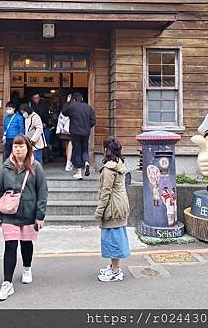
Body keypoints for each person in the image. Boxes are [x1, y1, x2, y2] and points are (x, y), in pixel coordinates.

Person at [0, 135, 48, 301]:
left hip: (29, 213)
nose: (17, 149)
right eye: (15, 146)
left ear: (28, 148)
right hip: (9, 214)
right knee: (10, 246)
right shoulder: (5, 168)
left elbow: (42, 192)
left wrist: (40, 215)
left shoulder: (36, 167)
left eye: (21, 146)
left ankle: (27, 267)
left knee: (26, 243)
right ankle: (7, 283)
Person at [94, 136, 131, 283]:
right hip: (120, 203)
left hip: (113, 206)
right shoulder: (119, 164)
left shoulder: (109, 168)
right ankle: (113, 267)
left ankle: (115, 271)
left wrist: (99, 211)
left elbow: (106, 192)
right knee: (116, 236)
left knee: (112, 239)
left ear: (105, 150)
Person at [62, 92, 96, 180]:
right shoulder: (88, 107)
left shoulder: (72, 106)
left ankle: (79, 173)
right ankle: (87, 162)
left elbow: (64, 112)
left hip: (75, 132)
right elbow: (93, 121)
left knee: (77, 151)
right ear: (82, 99)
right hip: (86, 132)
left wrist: (68, 102)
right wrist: (87, 127)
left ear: (73, 99)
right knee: (84, 149)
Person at [30, 93, 51, 160]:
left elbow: (47, 116)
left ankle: (46, 157)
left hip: (44, 126)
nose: (36, 99)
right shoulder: (31, 106)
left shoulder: (44, 106)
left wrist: (45, 124)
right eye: (34, 98)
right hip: (34, 128)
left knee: (46, 142)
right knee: (34, 143)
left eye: (37, 98)